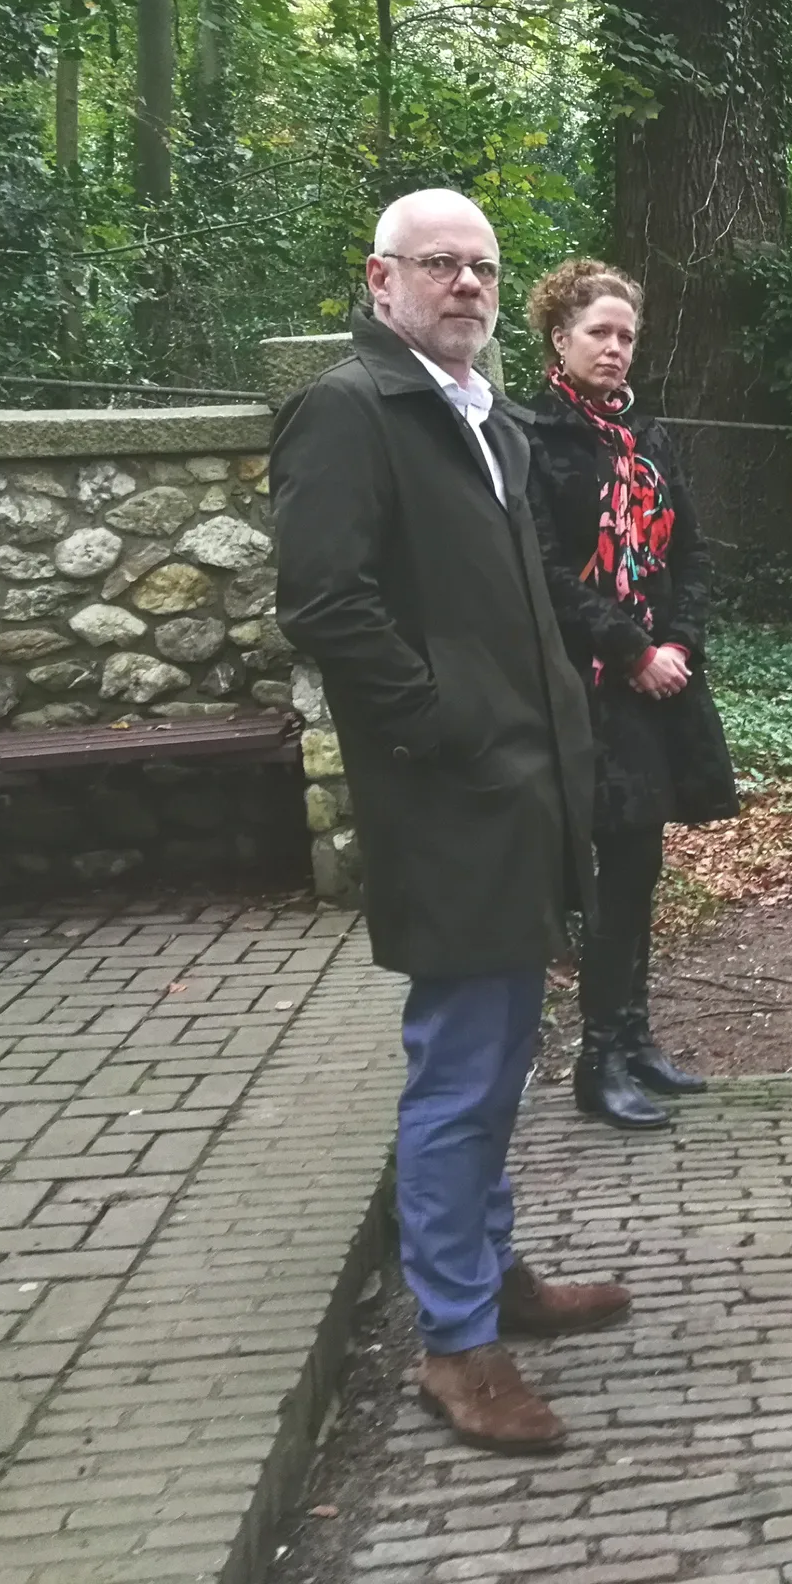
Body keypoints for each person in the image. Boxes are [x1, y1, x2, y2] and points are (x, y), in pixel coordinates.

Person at [272, 188, 624, 1455]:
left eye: (482, 266)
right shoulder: (352, 409)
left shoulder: (489, 418)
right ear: (381, 280)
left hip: (524, 788)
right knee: (460, 1067)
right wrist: (447, 723)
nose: (468, 284)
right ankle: (457, 1342)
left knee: (501, 1053)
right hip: (455, 792)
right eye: (441, 266)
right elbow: (323, 601)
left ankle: (493, 1272)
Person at [516, 258, 740, 1132]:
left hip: (656, 684)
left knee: (641, 867)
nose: (614, 349)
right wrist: (633, 647)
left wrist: (679, 642)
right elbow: (541, 572)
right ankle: (595, 1061)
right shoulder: (531, 436)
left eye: (626, 336)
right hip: (587, 687)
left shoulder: (646, 436)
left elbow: (691, 552)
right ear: (559, 339)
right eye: (598, 334)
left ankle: (634, 1036)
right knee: (605, 878)